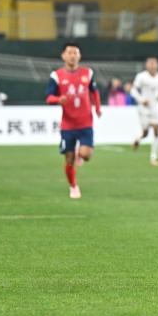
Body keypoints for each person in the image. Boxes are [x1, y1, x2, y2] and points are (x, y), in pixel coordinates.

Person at [46, 42, 102, 199]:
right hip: (68, 125)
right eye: (69, 53)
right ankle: (73, 186)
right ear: (63, 56)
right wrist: (58, 99)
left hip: (85, 122)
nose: (72, 56)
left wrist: (97, 108)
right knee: (69, 160)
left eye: (75, 53)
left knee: (86, 155)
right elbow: (49, 97)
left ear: (80, 56)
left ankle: (80, 154)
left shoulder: (88, 73)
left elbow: (94, 92)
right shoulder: (56, 76)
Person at [131, 56, 158, 166]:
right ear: (146, 65)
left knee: (156, 129)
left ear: (157, 65)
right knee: (145, 133)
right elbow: (133, 90)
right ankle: (137, 139)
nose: (152, 65)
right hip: (144, 108)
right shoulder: (141, 76)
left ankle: (154, 158)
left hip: (156, 107)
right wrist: (141, 100)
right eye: (150, 63)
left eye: (154, 63)